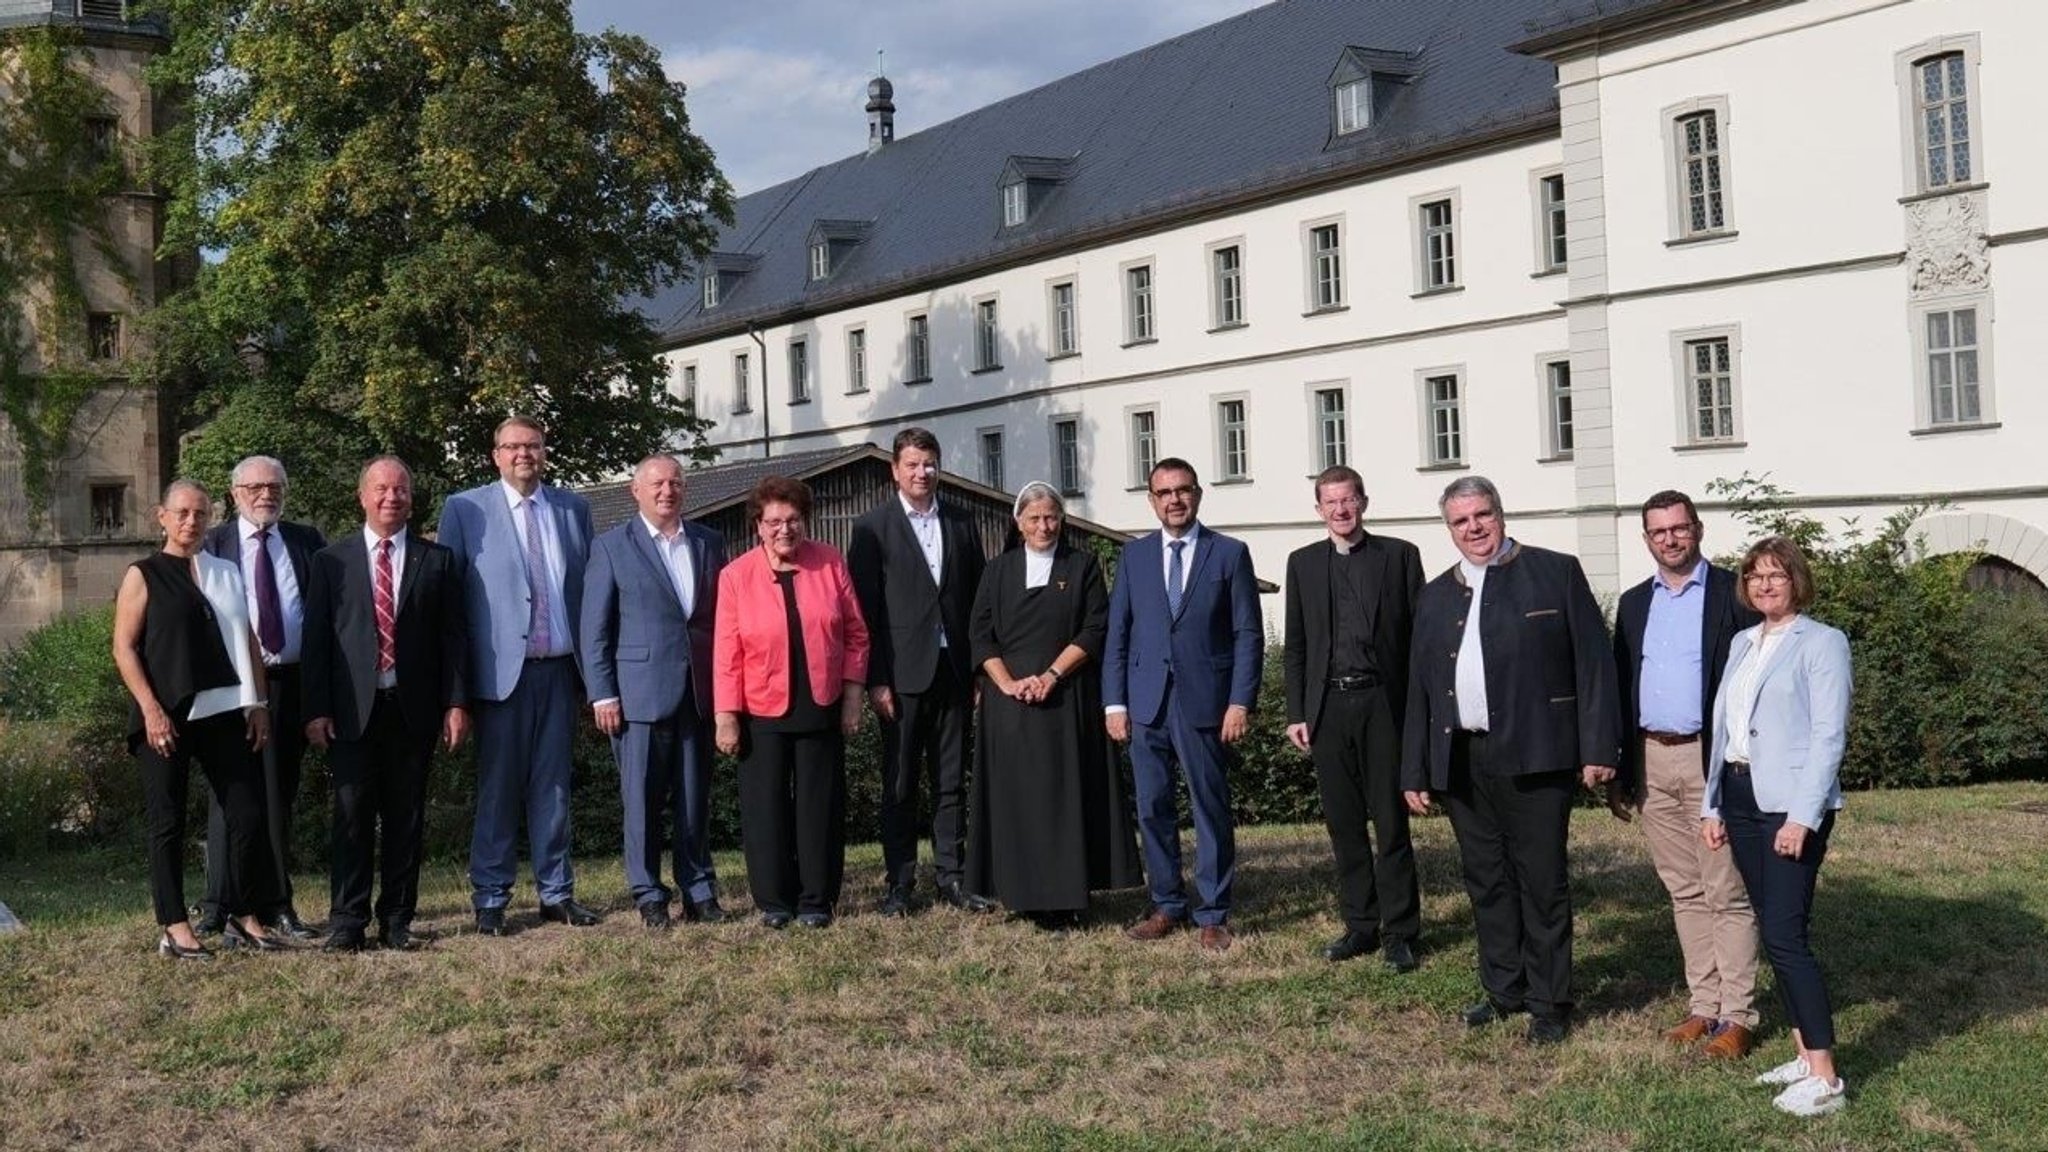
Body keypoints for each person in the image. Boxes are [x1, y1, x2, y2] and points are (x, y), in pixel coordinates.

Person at [1400, 476, 1620, 1043]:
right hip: (1462, 760)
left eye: (1482, 515)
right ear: (1448, 529)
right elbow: (1420, 690)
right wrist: (1415, 769)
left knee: (1541, 880)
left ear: (1500, 513)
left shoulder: (1555, 571)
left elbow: (1594, 665)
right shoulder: (1435, 594)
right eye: (1461, 521)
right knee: (1487, 881)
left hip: (1536, 753)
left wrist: (1599, 747)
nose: (1473, 528)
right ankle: (1504, 988)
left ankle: (1550, 1000)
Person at [1704, 536, 1852, 1117]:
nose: (1765, 585)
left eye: (1777, 576)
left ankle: (1827, 1078)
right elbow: (1725, 730)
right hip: (1740, 796)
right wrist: (1712, 804)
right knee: (1772, 930)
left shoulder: (1822, 643)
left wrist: (1801, 817)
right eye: (1756, 577)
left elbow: (1828, 736)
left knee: (1788, 939)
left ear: (1797, 581)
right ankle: (1800, 1051)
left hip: (1788, 805)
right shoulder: (1744, 641)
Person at [1612, 490, 1762, 1058]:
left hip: (1710, 759)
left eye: (1679, 528)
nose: (1670, 539)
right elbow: (1623, 689)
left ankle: (1739, 1015)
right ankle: (1704, 1006)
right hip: (1653, 760)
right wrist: (1621, 771)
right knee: (1685, 891)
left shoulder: (1732, 594)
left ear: (1697, 530)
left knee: (1728, 890)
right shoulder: (1632, 604)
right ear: (1646, 539)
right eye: (1658, 532)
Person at [111, 480, 285, 958]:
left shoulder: (227, 571)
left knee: (248, 813)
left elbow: (246, 641)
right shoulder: (142, 574)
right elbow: (124, 647)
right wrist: (150, 710)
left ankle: (242, 913)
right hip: (164, 715)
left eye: (201, 514)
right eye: (183, 513)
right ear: (161, 517)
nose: (192, 522)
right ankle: (174, 925)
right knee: (167, 821)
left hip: (226, 710)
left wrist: (258, 704)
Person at [438, 415, 598, 934]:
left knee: (553, 788)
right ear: (495, 455)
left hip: (558, 672)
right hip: (499, 677)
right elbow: (452, 606)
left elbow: (588, 595)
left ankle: (557, 893)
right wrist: (457, 691)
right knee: (499, 788)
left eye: (532, 446)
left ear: (544, 452)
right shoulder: (465, 509)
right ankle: (490, 897)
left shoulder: (573, 509)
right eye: (513, 447)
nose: (523, 455)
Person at [302, 457, 470, 953]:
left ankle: (397, 918)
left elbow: (454, 640)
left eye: (400, 489)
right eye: (381, 489)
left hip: (412, 710)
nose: (391, 498)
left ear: (411, 499)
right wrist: (316, 708)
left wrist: (457, 703)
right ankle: (347, 920)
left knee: (406, 817)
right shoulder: (331, 562)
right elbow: (316, 643)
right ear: (362, 497)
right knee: (351, 817)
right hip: (352, 711)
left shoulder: (436, 561)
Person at [964, 482, 1141, 929]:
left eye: (1052, 517)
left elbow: (1094, 629)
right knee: (1017, 801)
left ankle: (1066, 898)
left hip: (1066, 699)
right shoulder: (997, 571)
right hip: (1010, 707)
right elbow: (980, 635)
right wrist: (1006, 684)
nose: (1044, 526)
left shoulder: (1081, 567)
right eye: (1035, 518)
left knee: (1064, 799)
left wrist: (1050, 676)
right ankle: (1021, 893)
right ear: (1018, 522)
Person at [1104, 458, 1263, 952]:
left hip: (1205, 704)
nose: (1174, 499)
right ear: (1151, 500)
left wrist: (1240, 701)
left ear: (1198, 494)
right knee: (1152, 808)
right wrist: (1114, 703)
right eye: (1164, 492)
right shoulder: (1134, 556)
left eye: (1183, 490)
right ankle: (1167, 903)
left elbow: (1247, 634)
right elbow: (1119, 634)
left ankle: (1212, 912)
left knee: (1209, 807)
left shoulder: (1229, 554)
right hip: (1146, 701)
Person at [1282, 466, 1423, 972]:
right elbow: (1296, 646)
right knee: (1344, 825)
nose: (1341, 511)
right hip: (1328, 710)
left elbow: (1418, 643)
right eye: (1331, 503)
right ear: (1318, 509)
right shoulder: (1301, 564)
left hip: (1384, 703)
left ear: (1364, 501)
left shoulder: (1401, 557)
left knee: (1390, 824)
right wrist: (1296, 711)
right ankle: (1360, 926)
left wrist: (1419, 715)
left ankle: (1401, 932)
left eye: (1349, 501)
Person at [712, 477, 870, 929]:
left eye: (794, 520)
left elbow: (857, 634)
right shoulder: (735, 576)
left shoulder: (830, 562)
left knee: (819, 807)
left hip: (821, 704)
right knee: (766, 808)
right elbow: (726, 653)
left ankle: (817, 900)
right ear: (758, 526)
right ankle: (774, 903)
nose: (785, 529)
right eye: (775, 521)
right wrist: (726, 718)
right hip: (760, 709)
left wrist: (853, 696)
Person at [847, 427, 991, 916]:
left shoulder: (962, 521)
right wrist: (876, 679)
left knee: (951, 782)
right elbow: (863, 613)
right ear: (895, 470)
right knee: (902, 783)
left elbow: (975, 601)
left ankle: (951, 877)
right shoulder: (871, 528)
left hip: (954, 672)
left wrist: (978, 670)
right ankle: (900, 883)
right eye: (912, 464)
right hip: (901, 677)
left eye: (929, 463)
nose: (922, 473)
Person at [581, 454, 728, 929]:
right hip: (638, 696)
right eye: (657, 483)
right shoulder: (610, 548)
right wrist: (602, 693)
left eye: (676, 482)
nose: (668, 490)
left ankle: (699, 889)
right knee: (642, 803)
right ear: (636, 491)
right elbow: (595, 629)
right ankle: (648, 894)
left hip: (698, 692)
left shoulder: (708, 542)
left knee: (693, 799)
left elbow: (718, 622)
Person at [194, 455, 327, 941]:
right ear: (234, 494)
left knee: (278, 798)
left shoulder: (307, 541)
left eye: (274, 486)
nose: (265, 495)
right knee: (228, 798)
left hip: (289, 683)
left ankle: (277, 904)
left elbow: (324, 619)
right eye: (254, 487)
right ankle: (217, 905)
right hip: (231, 687)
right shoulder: (212, 544)